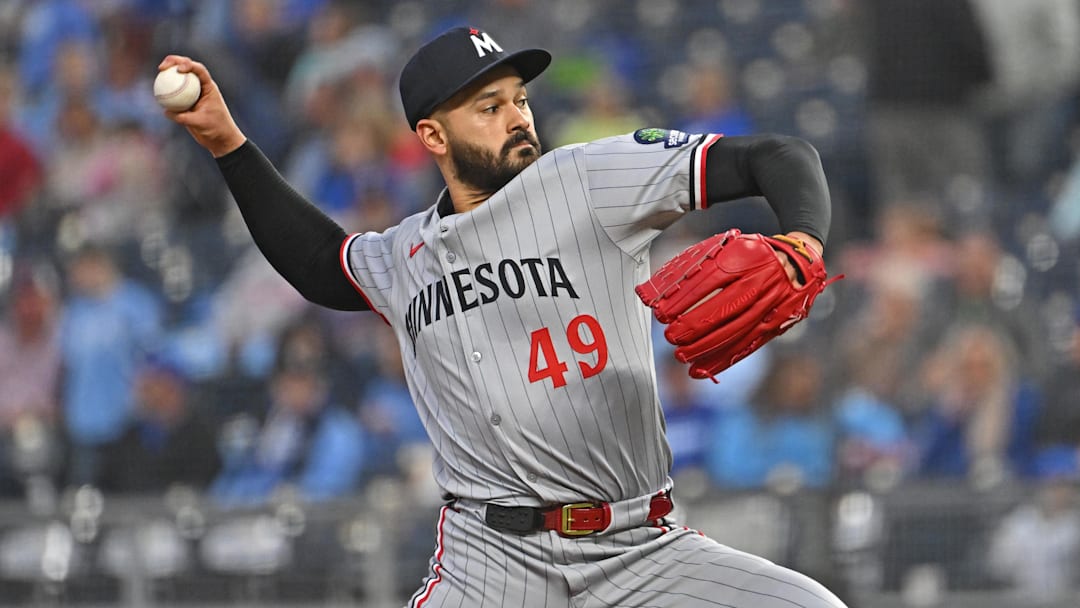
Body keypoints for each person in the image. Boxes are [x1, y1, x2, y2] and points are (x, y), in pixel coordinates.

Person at [160, 25, 847, 608]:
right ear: (432, 134)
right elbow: (321, 264)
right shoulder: (407, 255)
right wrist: (228, 144)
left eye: (519, 99)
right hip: (488, 565)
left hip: (641, 550)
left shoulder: (590, 179)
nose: (518, 117)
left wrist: (801, 241)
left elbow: (779, 156)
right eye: (487, 107)